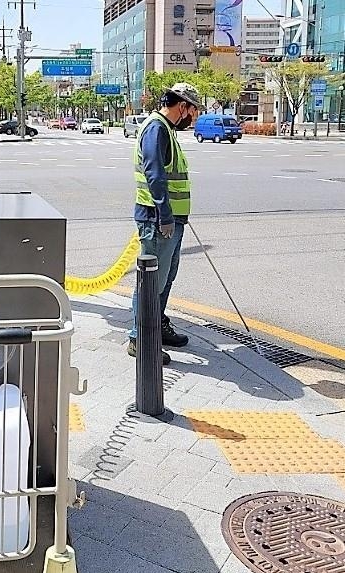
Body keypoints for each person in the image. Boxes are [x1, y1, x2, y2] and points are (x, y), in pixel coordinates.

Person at [127, 82, 202, 364]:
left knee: (165, 278)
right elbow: (154, 173)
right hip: (158, 221)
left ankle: (156, 327)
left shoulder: (166, 129)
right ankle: (139, 338)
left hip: (171, 221)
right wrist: (166, 215)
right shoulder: (157, 128)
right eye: (191, 112)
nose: (191, 119)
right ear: (181, 106)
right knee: (151, 283)